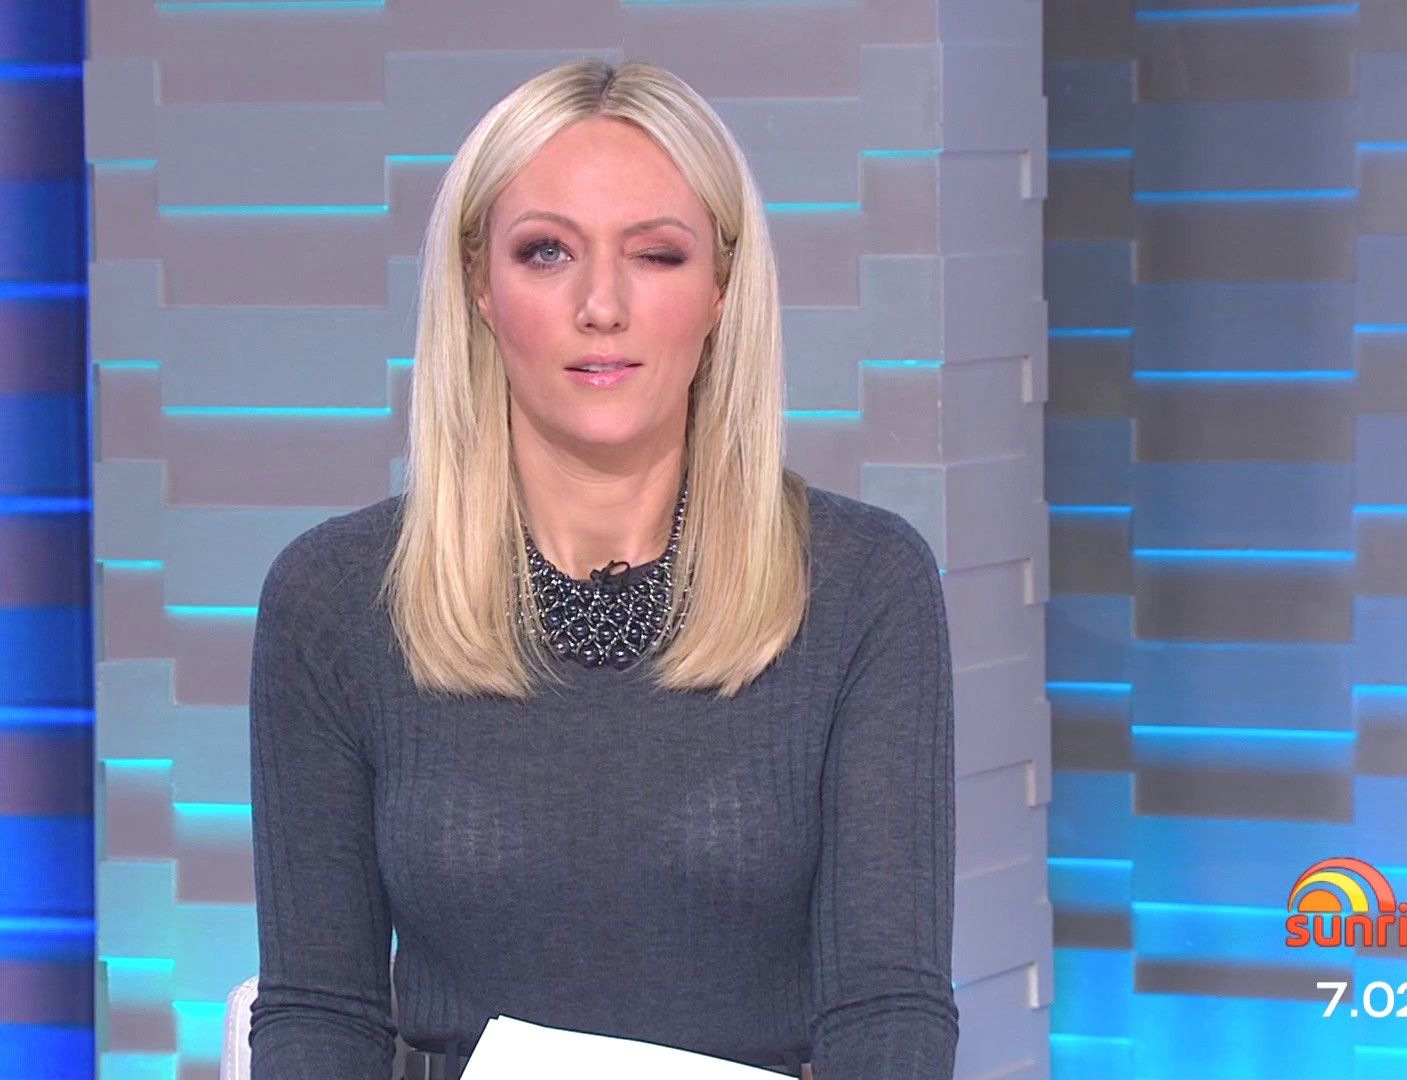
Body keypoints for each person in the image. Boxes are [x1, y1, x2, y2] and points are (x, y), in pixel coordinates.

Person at [247, 57, 957, 1080]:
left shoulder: (863, 585)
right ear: (479, 285)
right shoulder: (334, 600)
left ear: (720, 289)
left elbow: (889, 1014)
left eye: (656, 255)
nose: (601, 305)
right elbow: (321, 1015)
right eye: (546, 252)